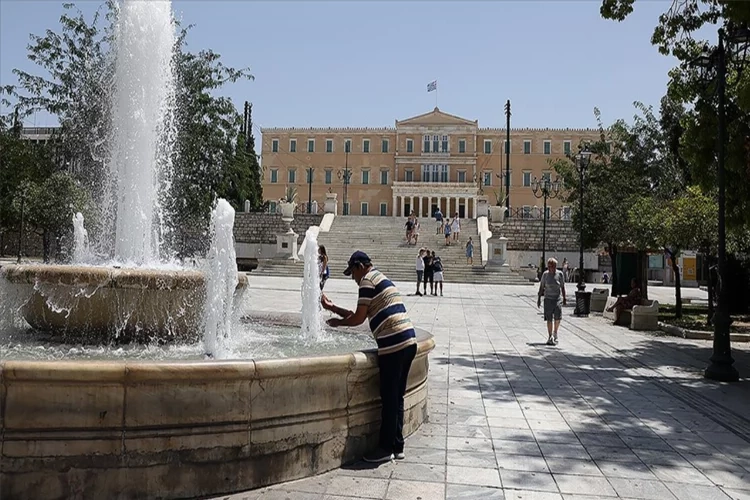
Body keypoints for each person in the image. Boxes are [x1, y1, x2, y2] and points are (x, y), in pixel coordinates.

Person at [322, 251, 417, 463]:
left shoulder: (366, 281)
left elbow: (357, 320)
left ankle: (384, 448)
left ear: (359, 266)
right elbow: (363, 315)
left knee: (389, 398)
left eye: (352, 273)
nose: (353, 279)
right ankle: (397, 445)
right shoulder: (380, 277)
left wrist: (337, 324)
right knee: (397, 396)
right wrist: (333, 308)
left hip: (393, 343)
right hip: (409, 340)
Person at [537, 257, 566, 346]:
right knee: (549, 318)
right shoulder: (545, 275)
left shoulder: (560, 274)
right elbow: (541, 287)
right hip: (548, 299)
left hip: (557, 298)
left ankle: (555, 332)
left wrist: (564, 298)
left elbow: (562, 287)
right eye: (549, 266)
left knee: (558, 317)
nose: (551, 268)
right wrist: (539, 299)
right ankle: (550, 336)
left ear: (555, 266)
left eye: (552, 266)